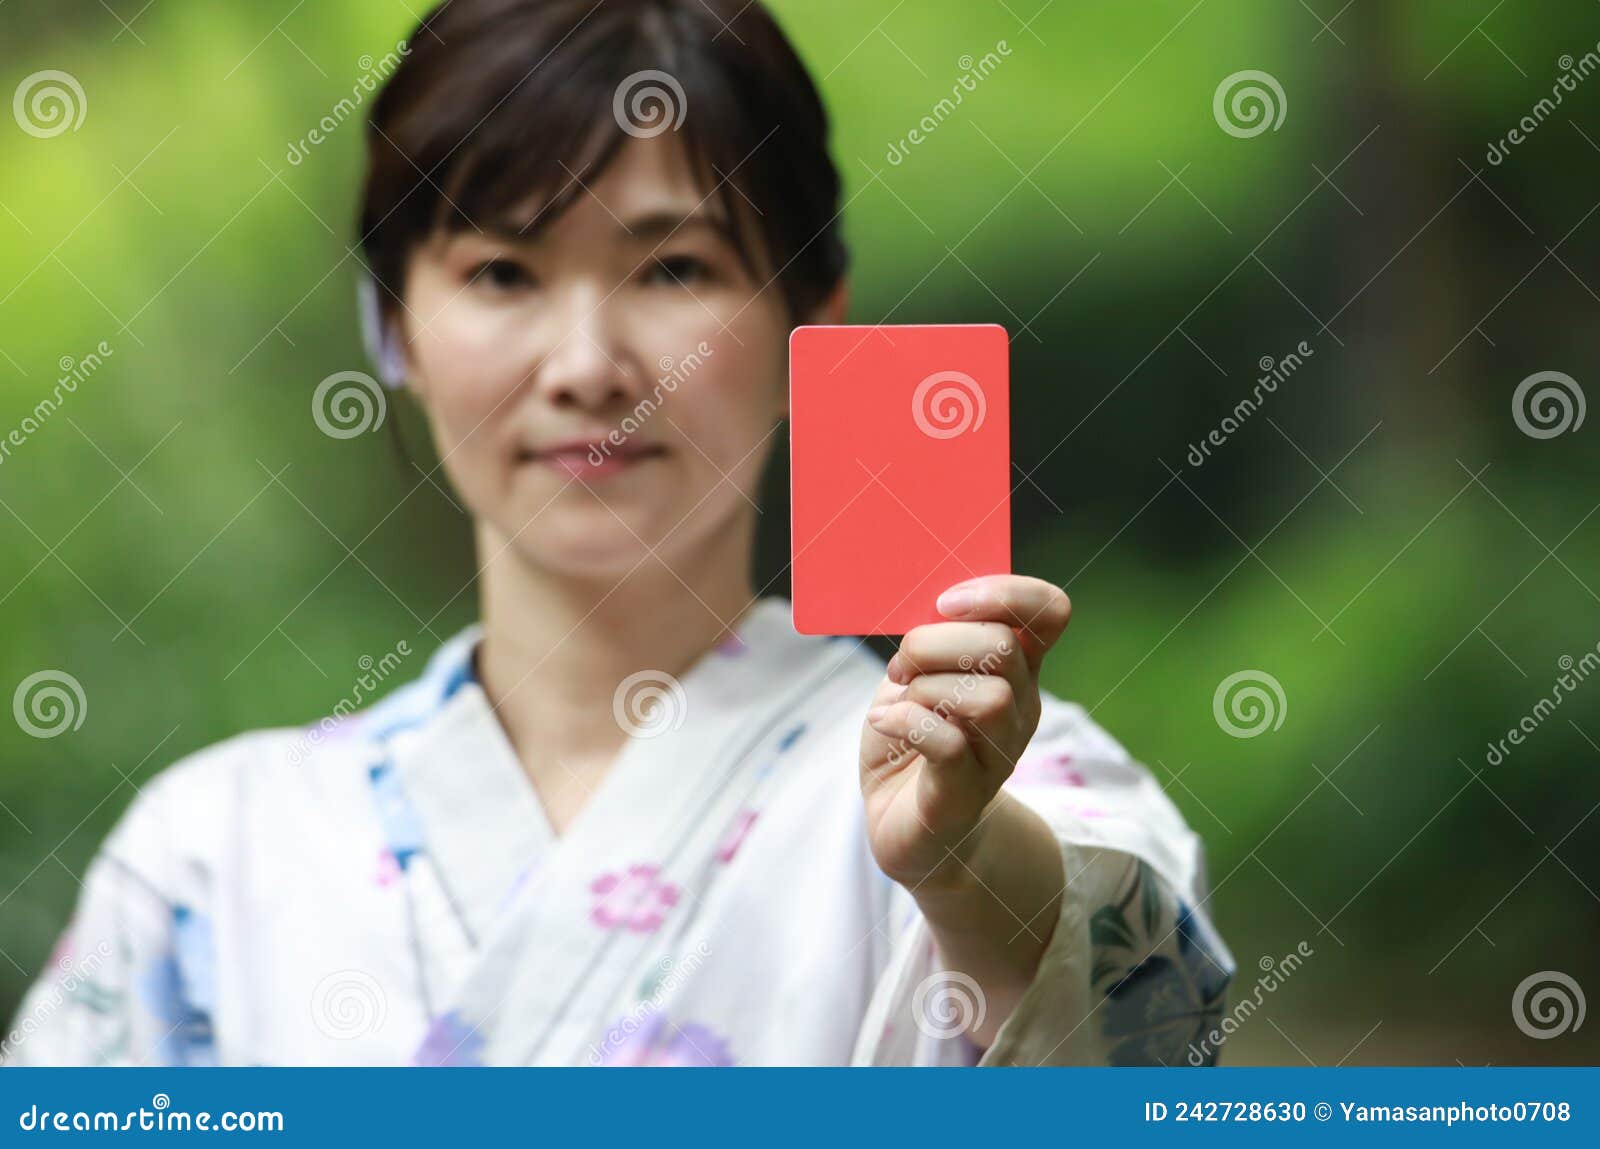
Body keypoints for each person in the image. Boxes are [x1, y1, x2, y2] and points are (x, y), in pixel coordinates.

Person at [3, 0, 1231, 1067]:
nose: (589, 366)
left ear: (814, 321)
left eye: (674, 268)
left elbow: (1150, 1047)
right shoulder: (214, 853)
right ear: (395, 332)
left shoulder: (996, 780)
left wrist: (968, 871)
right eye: (501, 273)